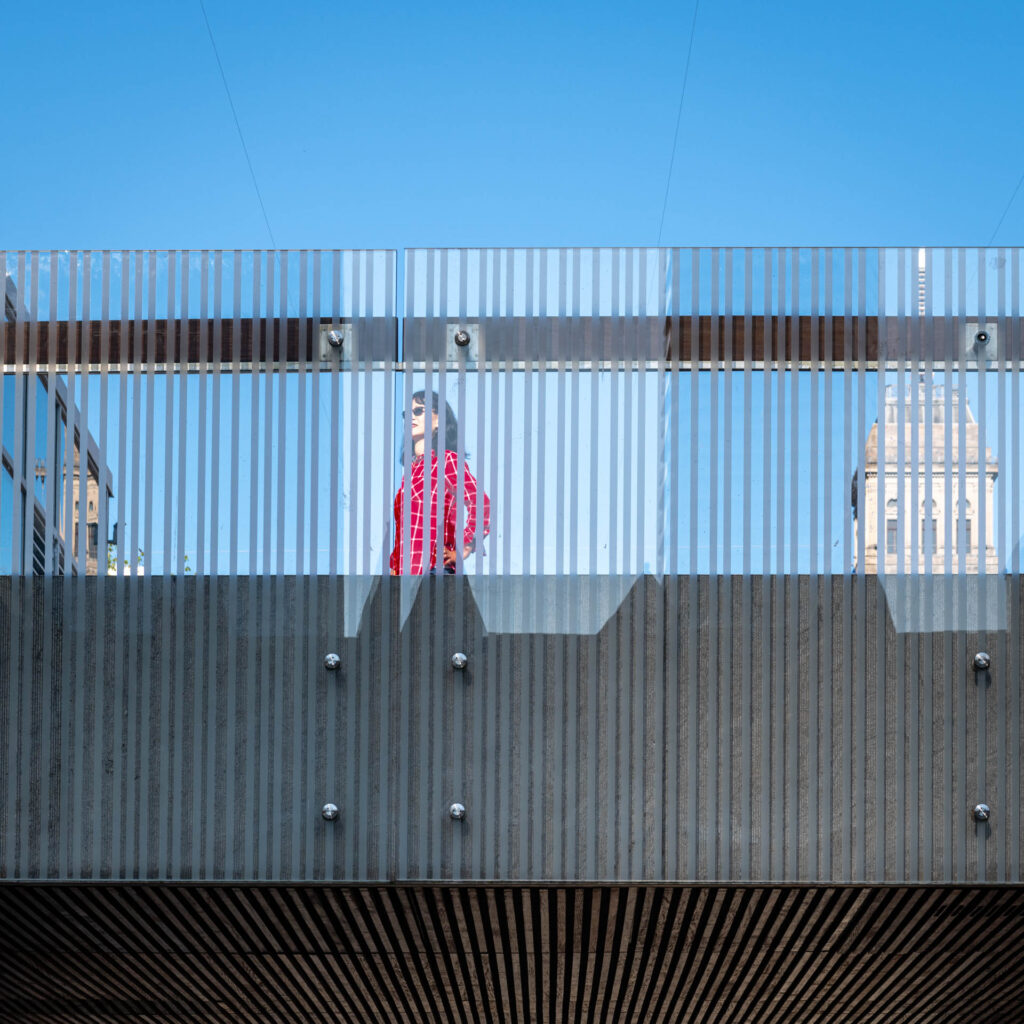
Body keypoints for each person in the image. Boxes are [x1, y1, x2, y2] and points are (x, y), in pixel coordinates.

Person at [389, 390, 490, 575]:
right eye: (408, 413)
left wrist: (464, 547)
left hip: (436, 573)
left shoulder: (446, 462)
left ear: (438, 421)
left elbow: (480, 502)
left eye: (419, 411)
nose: (411, 417)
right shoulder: (410, 474)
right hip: (407, 577)